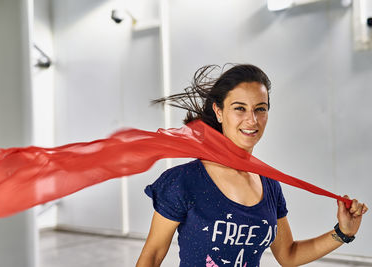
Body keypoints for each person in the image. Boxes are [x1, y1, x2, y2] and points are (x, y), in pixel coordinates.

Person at [136, 64, 368, 267]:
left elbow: (288, 255)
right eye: (239, 108)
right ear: (218, 111)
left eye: (260, 108)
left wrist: (342, 233)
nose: (252, 120)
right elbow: (153, 256)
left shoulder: (269, 185)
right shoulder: (183, 181)